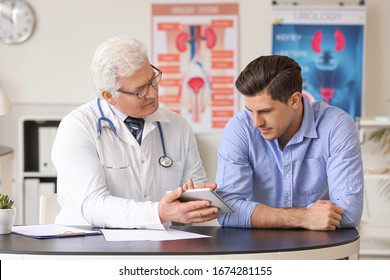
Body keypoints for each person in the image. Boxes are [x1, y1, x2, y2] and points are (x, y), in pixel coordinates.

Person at [51, 36, 220, 229]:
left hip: (159, 244)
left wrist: (199, 202)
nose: (153, 94)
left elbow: (194, 188)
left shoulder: (178, 126)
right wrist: (159, 212)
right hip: (90, 244)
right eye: (140, 90)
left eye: (153, 80)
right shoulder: (77, 127)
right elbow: (93, 205)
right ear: (109, 96)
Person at [215, 55, 363, 231]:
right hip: (258, 251)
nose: (256, 123)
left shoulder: (336, 126)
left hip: (321, 249)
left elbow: (349, 212)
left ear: (294, 100)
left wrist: (260, 215)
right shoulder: (240, 128)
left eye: (265, 111)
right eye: (250, 111)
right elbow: (226, 210)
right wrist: (304, 218)